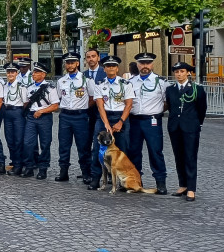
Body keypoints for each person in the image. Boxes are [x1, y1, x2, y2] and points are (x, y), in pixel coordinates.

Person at [88, 55, 135, 190]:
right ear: (104, 68)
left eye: (113, 66)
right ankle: (96, 178)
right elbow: (100, 105)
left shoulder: (126, 84)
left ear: (117, 68)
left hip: (121, 117)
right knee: (98, 150)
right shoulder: (100, 84)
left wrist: (120, 122)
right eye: (108, 66)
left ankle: (122, 181)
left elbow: (128, 104)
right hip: (104, 117)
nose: (111, 68)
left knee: (122, 149)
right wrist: (106, 124)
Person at [127, 52, 168, 194]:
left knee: (155, 151)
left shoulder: (161, 82)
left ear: (152, 64)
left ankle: (161, 182)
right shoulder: (131, 82)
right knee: (134, 152)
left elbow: (166, 102)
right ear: (137, 65)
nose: (145, 66)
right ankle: (135, 181)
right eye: (142, 63)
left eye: (148, 63)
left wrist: (155, 112)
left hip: (152, 121)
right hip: (134, 121)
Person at [166, 62, 207, 202]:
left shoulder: (197, 89)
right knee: (178, 157)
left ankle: (191, 188)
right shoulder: (170, 89)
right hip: (175, 127)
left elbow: (202, 109)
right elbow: (171, 107)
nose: (179, 74)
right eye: (176, 72)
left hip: (190, 127)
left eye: (182, 71)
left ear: (188, 73)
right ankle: (182, 185)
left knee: (190, 157)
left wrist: (196, 123)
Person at [55, 52, 92, 183]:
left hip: (80, 116)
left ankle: (86, 172)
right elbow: (59, 97)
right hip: (65, 116)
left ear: (77, 63)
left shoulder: (86, 80)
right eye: (67, 63)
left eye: (72, 62)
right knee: (64, 146)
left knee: (83, 146)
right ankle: (63, 172)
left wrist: (83, 107)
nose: (70, 65)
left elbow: (92, 98)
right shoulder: (61, 81)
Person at [21, 62, 60, 179]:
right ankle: (29, 166)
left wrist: (41, 111)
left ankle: (43, 168)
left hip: (44, 117)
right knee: (28, 143)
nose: (33, 74)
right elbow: (26, 102)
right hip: (32, 117)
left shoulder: (50, 88)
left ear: (43, 74)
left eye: (37, 72)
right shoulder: (30, 87)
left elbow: (55, 106)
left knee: (45, 143)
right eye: (34, 72)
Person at [82, 48, 106, 181]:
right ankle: (88, 171)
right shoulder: (82, 75)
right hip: (86, 114)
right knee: (85, 143)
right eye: (88, 57)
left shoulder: (105, 72)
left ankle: (104, 171)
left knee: (101, 144)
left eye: (93, 56)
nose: (91, 59)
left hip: (102, 115)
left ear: (98, 58)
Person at [2, 62, 28, 176]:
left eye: (12, 72)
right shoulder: (5, 85)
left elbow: (26, 102)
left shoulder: (21, 86)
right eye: (8, 72)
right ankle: (14, 161)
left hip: (18, 112)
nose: (10, 74)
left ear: (17, 73)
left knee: (18, 140)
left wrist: (21, 113)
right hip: (7, 112)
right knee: (10, 140)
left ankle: (19, 165)